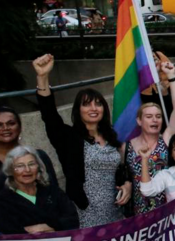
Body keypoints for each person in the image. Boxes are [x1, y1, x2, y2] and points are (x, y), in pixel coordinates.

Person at [33, 54, 131, 228]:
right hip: (84, 215)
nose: (93, 108)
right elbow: (49, 116)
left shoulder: (113, 139)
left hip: (115, 213)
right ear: (78, 110)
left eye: (98, 104)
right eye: (87, 104)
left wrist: (127, 185)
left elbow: (123, 172)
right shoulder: (69, 138)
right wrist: (42, 77)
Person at [0, 146, 78, 234]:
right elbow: (8, 232)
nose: (27, 170)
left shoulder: (53, 191)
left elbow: (72, 219)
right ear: (10, 170)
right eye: (20, 166)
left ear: (38, 167)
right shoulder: (4, 200)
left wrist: (52, 227)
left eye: (31, 164)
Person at [0, 107, 58, 186]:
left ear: (20, 127)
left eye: (11, 123)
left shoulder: (39, 155)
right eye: (0, 125)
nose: (5, 128)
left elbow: (54, 189)